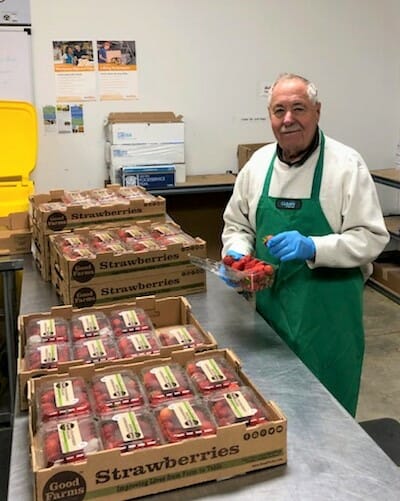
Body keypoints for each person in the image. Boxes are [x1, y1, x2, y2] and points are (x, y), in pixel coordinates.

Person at [222, 73, 389, 416]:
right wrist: (237, 252)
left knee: (331, 417)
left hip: (329, 321)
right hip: (271, 314)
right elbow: (238, 224)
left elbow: (371, 238)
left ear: (317, 111)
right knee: (274, 408)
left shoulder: (346, 165)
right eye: (278, 110)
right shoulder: (258, 165)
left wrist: (314, 247)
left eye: (298, 108)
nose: (288, 120)